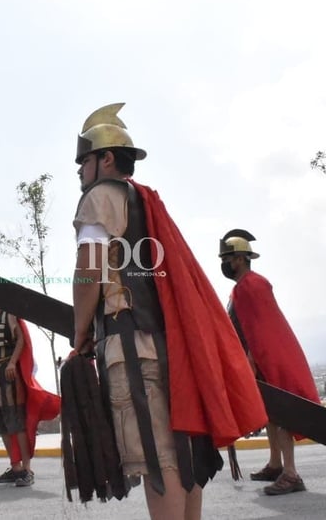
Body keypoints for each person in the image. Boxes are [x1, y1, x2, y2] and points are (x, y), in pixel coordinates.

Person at [71, 103, 268, 519]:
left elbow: (87, 272)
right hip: (169, 344)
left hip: (132, 348)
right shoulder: (144, 199)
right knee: (181, 453)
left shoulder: (100, 197)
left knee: (159, 460)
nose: (79, 172)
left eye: (83, 161)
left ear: (105, 158)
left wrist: (79, 331)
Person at [219, 230, 322, 495]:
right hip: (257, 359)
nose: (224, 264)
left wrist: (255, 359)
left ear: (241, 259)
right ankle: (276, 464)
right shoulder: (240, 288)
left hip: (268, 358)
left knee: (282, 411)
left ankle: (291, 473)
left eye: (228, 258)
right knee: (271, 414)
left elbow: (261, 328)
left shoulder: (253, 284)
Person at [0, 295, 61, 488]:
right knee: (1, 424)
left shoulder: (8, 315)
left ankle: (27, 469)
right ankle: (15, 468)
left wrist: (13, 362)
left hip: (9, 375)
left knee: (17, 422)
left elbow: (21, 340)